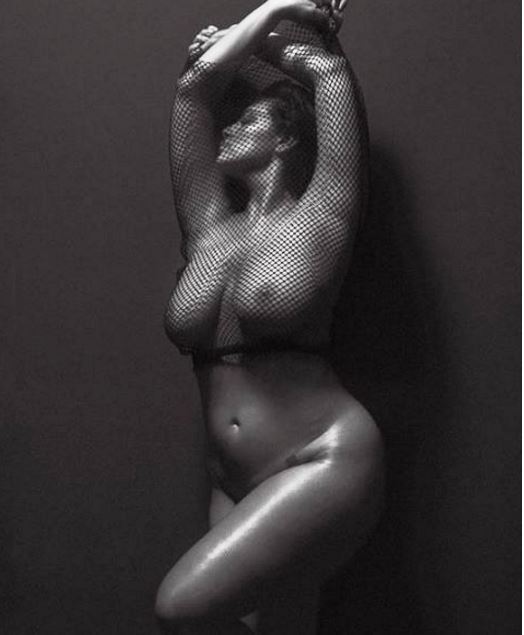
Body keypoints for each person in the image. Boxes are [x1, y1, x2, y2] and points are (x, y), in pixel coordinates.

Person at [158, 1, 384, 632]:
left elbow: (329, 77)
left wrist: (280, 18)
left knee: (181, 609)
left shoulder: (324, 212)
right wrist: (265, 16)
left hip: (321, 458)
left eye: (250, 120)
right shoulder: (209, 227)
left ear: (285, 138)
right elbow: (194, 91)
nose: (229, 129)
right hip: (230, 479)